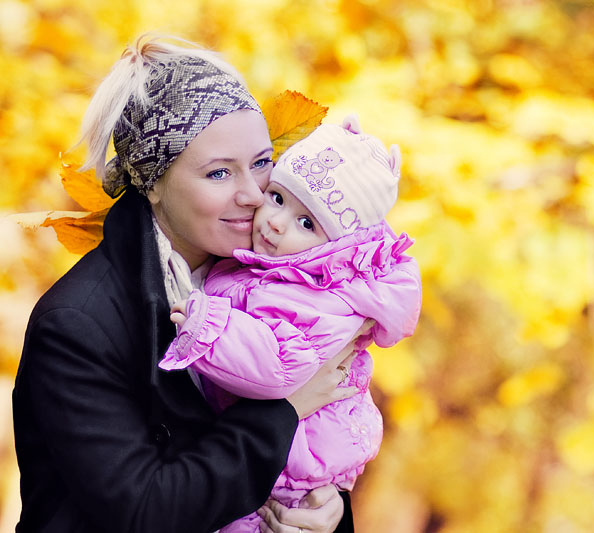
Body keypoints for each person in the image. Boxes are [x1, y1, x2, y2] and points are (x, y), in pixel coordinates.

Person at [12, 33, 358, 533]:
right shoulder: (77, 326)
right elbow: (143, 511)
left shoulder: (281, 287)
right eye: (219, 174)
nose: (253, 195)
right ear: (152, 183)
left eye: (262, 163)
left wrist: (328, 512)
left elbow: (320, 446)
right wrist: (281, 411)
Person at [157, 116, 422, 532]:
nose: (276, 222)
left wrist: (207, 326)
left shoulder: (317, 296)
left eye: (306, 223)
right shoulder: (277, 269)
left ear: (335, 246)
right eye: (278, 198)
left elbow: (277, 365)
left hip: (293, 460)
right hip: (268, 452)